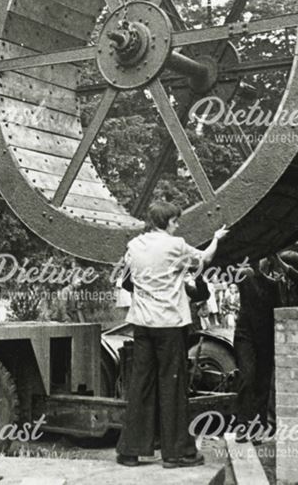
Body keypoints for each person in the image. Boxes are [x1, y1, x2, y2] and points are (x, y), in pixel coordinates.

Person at [115, 201, 229, 468]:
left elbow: (128, 280)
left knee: (140, 386)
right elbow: (205, 259)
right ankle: (177, 454)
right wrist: (216, 239)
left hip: (142, 325)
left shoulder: (134, 246)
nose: (178, 225)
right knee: (173, 387)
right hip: (169, 325)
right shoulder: (175, 245)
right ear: (166, 222)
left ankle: (130, 451)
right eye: (175, 221)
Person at [233, 250, 298, 441]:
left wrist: (279, 263)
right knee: (247, 378)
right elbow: (240, 270)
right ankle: (243, 426)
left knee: (263, 383)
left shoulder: (281, 286)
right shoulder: (248, 277)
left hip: (267, 338)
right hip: (247, 335)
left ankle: (258, 429)